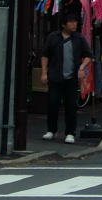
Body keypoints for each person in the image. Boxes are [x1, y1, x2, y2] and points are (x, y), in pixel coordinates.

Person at [40, 10, 94, 144]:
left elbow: (89, 55)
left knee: (71, 106)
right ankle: (51, 130)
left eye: (75, 21)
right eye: (71, 22)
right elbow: (45, 55)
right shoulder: (53, 37)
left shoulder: (79, 38)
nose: (74, 24)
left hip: (72, 77)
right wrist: (44, 72)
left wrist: (82, 67)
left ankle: (70, 132)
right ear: (63, 24)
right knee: (53, 103)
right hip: (55, 76)